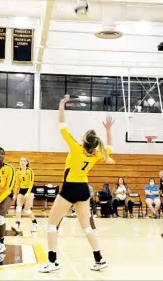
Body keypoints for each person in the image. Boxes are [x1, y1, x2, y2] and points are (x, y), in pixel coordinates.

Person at [38, 95, 114, 273]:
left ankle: (52, 262)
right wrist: (108, 130)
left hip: (70, 188)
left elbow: (62, 126)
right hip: (84, 190)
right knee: (86, 226)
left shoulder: (75, 147)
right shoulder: (96, 153)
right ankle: (99, 259)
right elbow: (109, 145)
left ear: (83, 140)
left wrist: (61, 104)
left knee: (51, 224)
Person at [11, 157, 38, 233]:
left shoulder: (29, 171)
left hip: (30, 190)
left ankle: (35, 223)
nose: (23, 162)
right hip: (21, 190)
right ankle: (17, 225)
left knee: (26, 209)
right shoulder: (17, 172)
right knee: (18, 208)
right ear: (19, 163)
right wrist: (15, 194)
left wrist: (28, 193)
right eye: (21, 161)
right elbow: (17, 184)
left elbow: (31, 182)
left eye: (24, 161)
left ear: (27, 163)